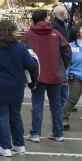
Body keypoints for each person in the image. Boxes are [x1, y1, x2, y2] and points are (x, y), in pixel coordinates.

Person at [0, 20, 38, 157]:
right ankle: (19, 144)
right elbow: (31, 65)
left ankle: (5, 147)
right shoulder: (20, 47)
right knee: (15, 115)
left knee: (1, 116)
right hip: (16, 87)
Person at [21, 10, 71, 143]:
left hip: (36, 75)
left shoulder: (29, 35)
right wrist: (62, 67)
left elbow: (22, 53)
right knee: (56, 104)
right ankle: (58, 133)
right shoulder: (56, 33)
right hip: (55, 74)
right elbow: (67, 51)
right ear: (46, 18)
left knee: (37, 103)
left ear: (33, 20)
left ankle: (35, 133)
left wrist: (27, 71)